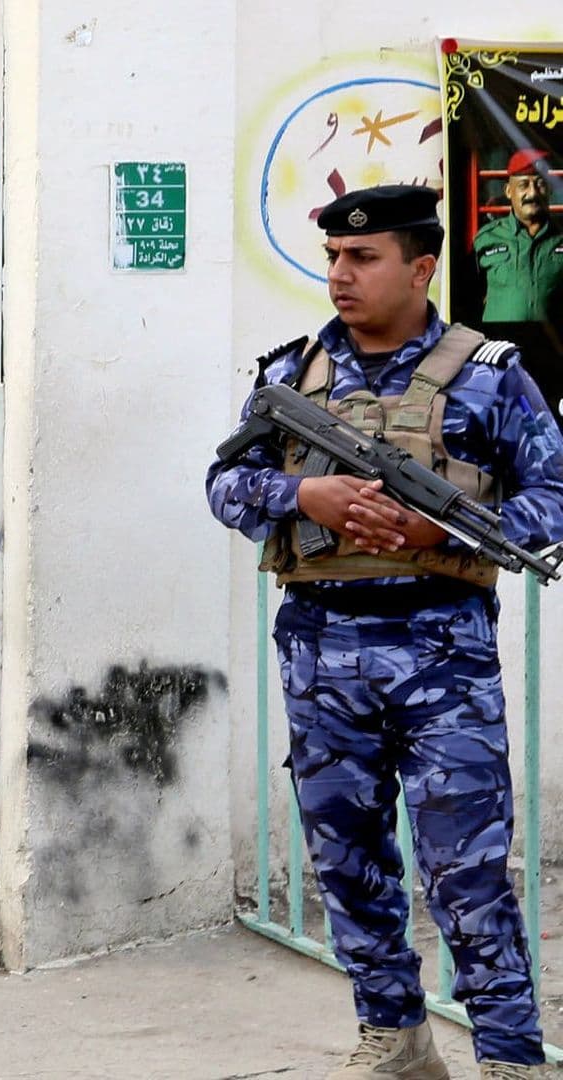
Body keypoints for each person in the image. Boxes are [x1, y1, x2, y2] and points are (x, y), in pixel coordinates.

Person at [208, 185, 563, 1079]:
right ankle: (395, 1038)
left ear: (421, 267)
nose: (341, 273)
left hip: (442, 650)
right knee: (348, 862)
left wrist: (441, 528)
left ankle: (512, 1058)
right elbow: (224, 485)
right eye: (334, 256)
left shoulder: (490, 374)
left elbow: (553, 497)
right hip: (320, 651)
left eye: (363, 258)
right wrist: (306, 495)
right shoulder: (291, 377)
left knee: (466, 871)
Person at [474, 148, 563, 324]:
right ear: (508, 191)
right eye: (523, 185)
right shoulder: (485, 238)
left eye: (540, 184)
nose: (533, 193)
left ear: (549, 190)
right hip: (501, 341)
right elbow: (468, 295)